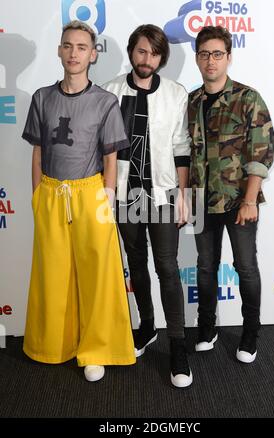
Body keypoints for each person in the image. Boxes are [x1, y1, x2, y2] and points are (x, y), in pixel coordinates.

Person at [22, 20, 135, 381]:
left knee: (98, 276)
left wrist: (108, 197)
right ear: (59, 50)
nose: (74, 53)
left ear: (93, 54)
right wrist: (38, 193)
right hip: (52, 194)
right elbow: (38, 151)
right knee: (52, 273)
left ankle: (97, 349)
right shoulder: (42, 97)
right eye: (68, 46)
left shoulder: (105, 101)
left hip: (91, 193)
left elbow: (110, 157)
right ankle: (53, 344)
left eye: (81, 47)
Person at [102, 25, 192, 387]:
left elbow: (181, 147)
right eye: (141, 52)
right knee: (136, 265)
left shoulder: (175, 93)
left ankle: (178, 345)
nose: (147, 60)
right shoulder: (109, 91)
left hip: (164, 196)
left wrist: (184, 196)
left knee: (168, 270)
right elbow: (104, 149)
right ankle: (147, 326)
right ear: (131, 52)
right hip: (126, 196)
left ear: (161, 58)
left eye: (154, 54)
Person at [189, 26, 274, 363]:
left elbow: (262, 152)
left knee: (246, 267)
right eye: (205, 54)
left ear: (228, 57)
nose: (211, 61)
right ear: (198, 58)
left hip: (240, 201)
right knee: (206, 268)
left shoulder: (247, 98)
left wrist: (250, 200)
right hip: (201, 200)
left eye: (217, 54)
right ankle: (207, 328)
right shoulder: (192, 101)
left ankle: (250, 333)